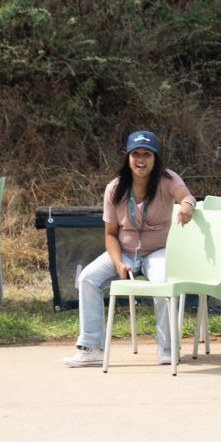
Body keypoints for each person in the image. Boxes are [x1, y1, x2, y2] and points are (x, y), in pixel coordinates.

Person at [65, 129, 197, 369]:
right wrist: (118, 263)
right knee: (87, 278)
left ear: (155, 158)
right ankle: (91, 347)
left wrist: (187, 205)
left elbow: (186, 196)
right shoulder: (115, 188)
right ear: (127, 157)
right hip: (123, 250)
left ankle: (167, 348)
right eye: (136, 153)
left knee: (162, 281)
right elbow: (110, 235)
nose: (141, 159)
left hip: (157, 250)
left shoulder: (167, 179)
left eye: (147, 154)